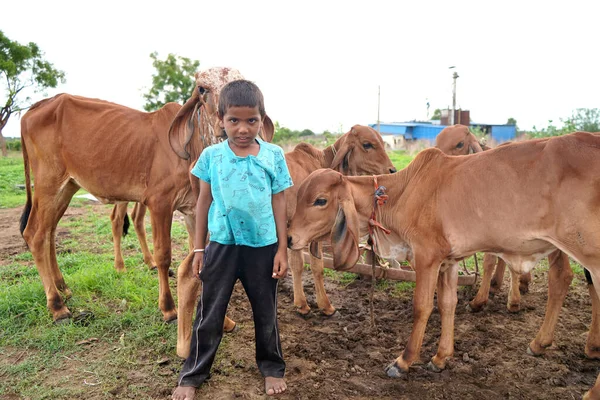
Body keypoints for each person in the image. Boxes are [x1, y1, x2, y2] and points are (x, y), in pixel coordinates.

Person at [172, 79, 292, 399]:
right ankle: (193, 373)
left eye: (251, 120)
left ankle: (271, 367)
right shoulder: (212, 156)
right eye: (234, 120)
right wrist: (199, 248)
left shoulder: (273, 156)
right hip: (222, 246)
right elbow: (203, 202)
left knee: (266, 311)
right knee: (210, 312)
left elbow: (279, 200)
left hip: (263, 247)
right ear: (220, 120)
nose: (242, 129)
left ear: (261, 120)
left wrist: (282, 247)